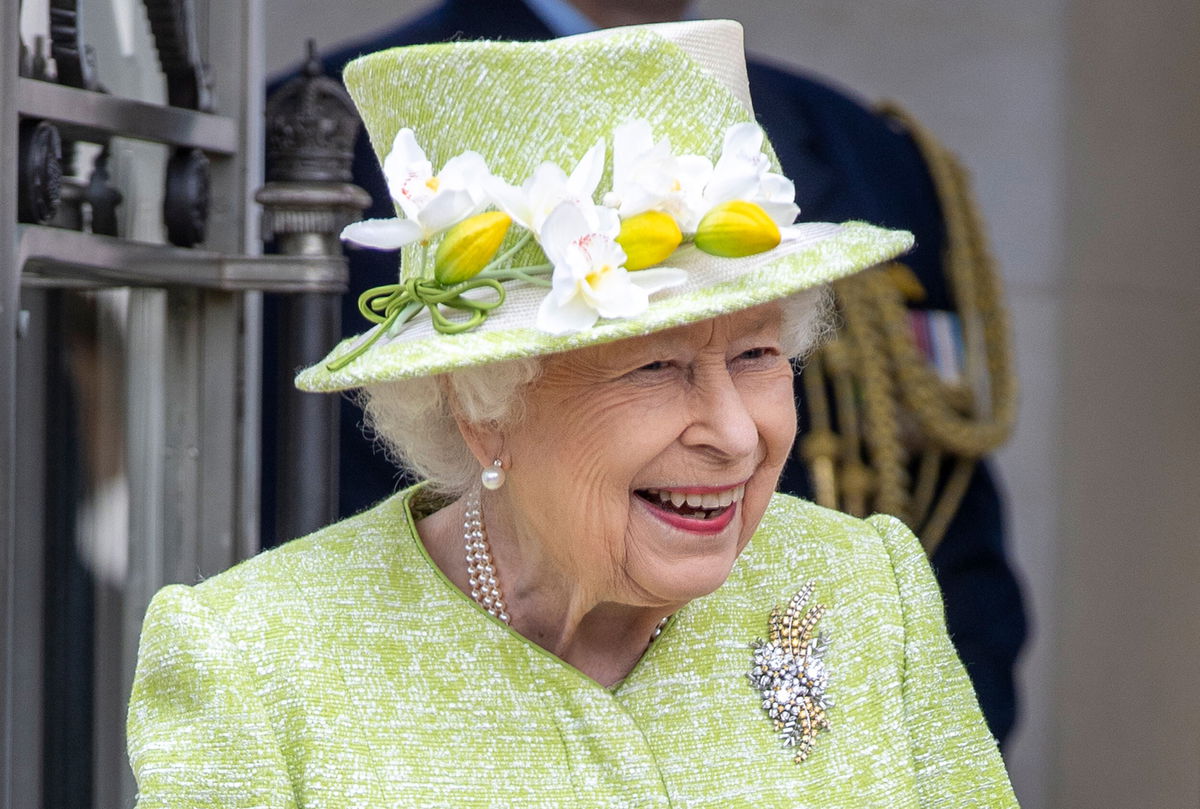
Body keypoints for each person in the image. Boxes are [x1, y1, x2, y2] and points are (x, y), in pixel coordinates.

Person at [130, 22, 1018, 805]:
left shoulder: (864, 587)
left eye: (755, 356)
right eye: (656, 367)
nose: (737, 433)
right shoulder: (256, 664)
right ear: (484, 411)